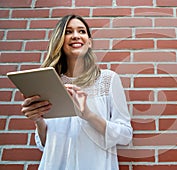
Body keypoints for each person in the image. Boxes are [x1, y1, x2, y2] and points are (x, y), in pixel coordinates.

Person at [21, 15, 133, 170]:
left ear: (89, 42)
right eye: (68, 32)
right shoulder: (49, 82)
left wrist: (88, 115)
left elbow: (125, 135)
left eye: (81, 31)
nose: (75, 35)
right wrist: (38, 120)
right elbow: (46, 144)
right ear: (59, 40)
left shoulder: (107, 79)